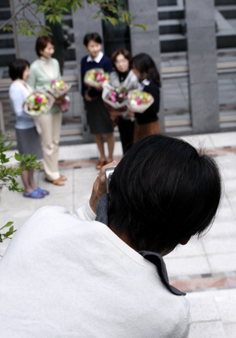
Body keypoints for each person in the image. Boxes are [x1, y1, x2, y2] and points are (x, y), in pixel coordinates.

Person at [0, 135, 221, 337]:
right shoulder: (169, 314)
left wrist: (92, 207)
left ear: (113, 185)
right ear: (186, 236)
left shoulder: (43, 222)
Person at [28, 36, 66, 186]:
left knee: (55, 141)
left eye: (52, 48)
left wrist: (60, 92)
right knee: (47, 142)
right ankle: (51, 174)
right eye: (48, 48)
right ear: (40, 49)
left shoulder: (55, 62)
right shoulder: (34, 67)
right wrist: (47, 96)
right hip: (44, 109)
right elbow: (30, 90)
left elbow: (59, 82)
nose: (52, 51)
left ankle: (54, 170)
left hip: (57, 106)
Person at [8, 59, 49, 199]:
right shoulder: (15, 87)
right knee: (26, 161)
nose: (28, 73)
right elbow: (19, 111)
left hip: (31, 126)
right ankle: (27, 189)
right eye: (26, 70)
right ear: (20, 71)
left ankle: (33, 186)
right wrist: (34, 110)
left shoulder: (23, 85)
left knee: (31, 160)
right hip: (23, 128)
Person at [81, 32, 114, 169]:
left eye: (97, 45)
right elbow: (82, 79)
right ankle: (102, 157)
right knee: (97, 130)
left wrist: (102, 88)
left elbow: (110, 81)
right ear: (86, 47)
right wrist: (85, 94)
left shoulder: (106, 60)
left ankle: (110, 157)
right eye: (91, 46)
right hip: (91, 100)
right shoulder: (84, 61)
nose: (95, 48)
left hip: (104, 99)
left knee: (108, 129)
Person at [107, 48, 139, 153]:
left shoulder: (134, 76)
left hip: (132, 117)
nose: (121, 64)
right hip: (120, 118)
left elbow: (136, 98)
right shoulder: (113, 76)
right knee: (125, 145)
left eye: (124, 60)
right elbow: (110, 94)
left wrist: (121, 112)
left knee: (135, 145)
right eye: (118, 61)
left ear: (129, 61)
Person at [128, 53, 161, 143]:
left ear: (143, 68)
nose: (134, 71)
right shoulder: (141, 84)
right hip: (140, 124)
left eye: (135, 68)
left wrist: (136, 114)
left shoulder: (151, 86)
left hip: (150, 125)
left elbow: (154, 109)